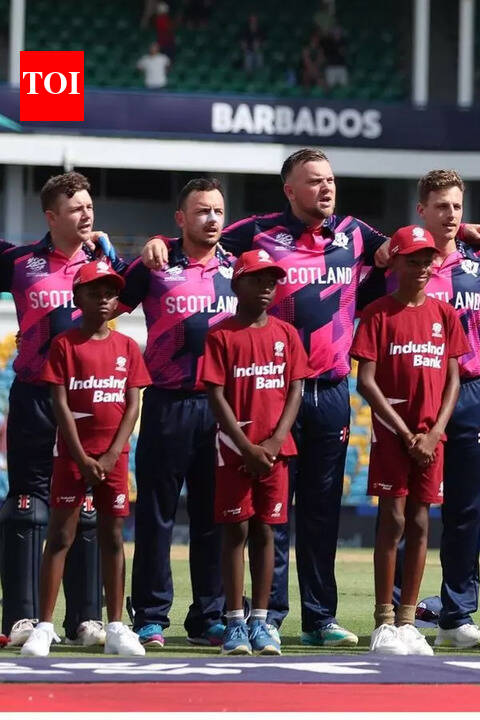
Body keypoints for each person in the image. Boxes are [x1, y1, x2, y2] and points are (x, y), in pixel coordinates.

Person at [142, 148, 411, 648]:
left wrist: (468, 231)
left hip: (330, 387)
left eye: (330, 180)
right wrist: (160, 241)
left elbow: (405, 244)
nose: (326, 188)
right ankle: (270, 616)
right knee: (272, 513)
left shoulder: (355, 233)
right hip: (271, 390)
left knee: (321, 510)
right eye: (314, 181)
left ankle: (319, 618)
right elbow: (202, 241)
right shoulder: (257, 232)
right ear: (290, 190)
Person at [357, 171, 480, 649]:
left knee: (464, 509)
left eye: (458, 207)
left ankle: (456, 614)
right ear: (421, 210)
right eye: (441, 206)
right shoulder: (396, 263)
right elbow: (352, 297)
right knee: (403, 512)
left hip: (466, 391)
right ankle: (395, 616)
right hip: (411, 395)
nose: (451, 215)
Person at [1, 172, 124, 650]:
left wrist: (146, 247)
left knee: (86, 507)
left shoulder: (106, 265)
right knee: (28, 507)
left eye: (89, 205)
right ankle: (21, 618)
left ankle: (86, 619)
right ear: (51, 217)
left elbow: (152, 281)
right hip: (35, 396)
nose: (86, 213)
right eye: (75, 208)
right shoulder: (20, 262)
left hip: (90, 399)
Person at [121, 179, 236, 648]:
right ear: (181, 219)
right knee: (156, 515)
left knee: (214, 517)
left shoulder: (237, 268)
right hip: (167, 403)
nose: (212, 219)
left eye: (218, 211)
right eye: (202, 210)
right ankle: (150, 615)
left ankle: (208, 616)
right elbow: (106, 299)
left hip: (221, 407)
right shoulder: (156, 264)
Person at [19, 262, 150, 658]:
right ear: (77, 298)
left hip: (115, 459)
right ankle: (44, 626)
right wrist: (81, 455)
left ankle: (116, 626)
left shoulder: (127, 346)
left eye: (110, 293)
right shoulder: (64, 345)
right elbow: (59, 404)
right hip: (72, 456)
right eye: (94, 292)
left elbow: (132, 405)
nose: (104, 299)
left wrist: (110, 455)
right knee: (60, 536)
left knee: (113, 537)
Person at [354, 227, 467, 657]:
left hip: (431, 436)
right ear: (395, 262)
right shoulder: (377, 314)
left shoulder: (445, 314)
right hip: (392, 434)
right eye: (412, 260)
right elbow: (365, 381)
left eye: (426, 260)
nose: (421, 267)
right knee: (393, 520)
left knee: (420, 522)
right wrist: (405, 433)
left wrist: (435, 432)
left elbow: (454, 379)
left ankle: (407, 622)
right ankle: (384, 621)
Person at [201, 250, 307, 656]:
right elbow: (216, 394)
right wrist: (246, 446)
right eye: (256, 280)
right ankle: (234, 622)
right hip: (235, 450)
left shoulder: (287, 334)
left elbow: (295, 388)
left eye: (271, 281)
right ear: (236, 284)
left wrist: (276, 441)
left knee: (267, 531)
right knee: (236, 531)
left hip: (277, 451)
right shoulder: (221, 335)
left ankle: (261, 621)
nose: (266, 287)